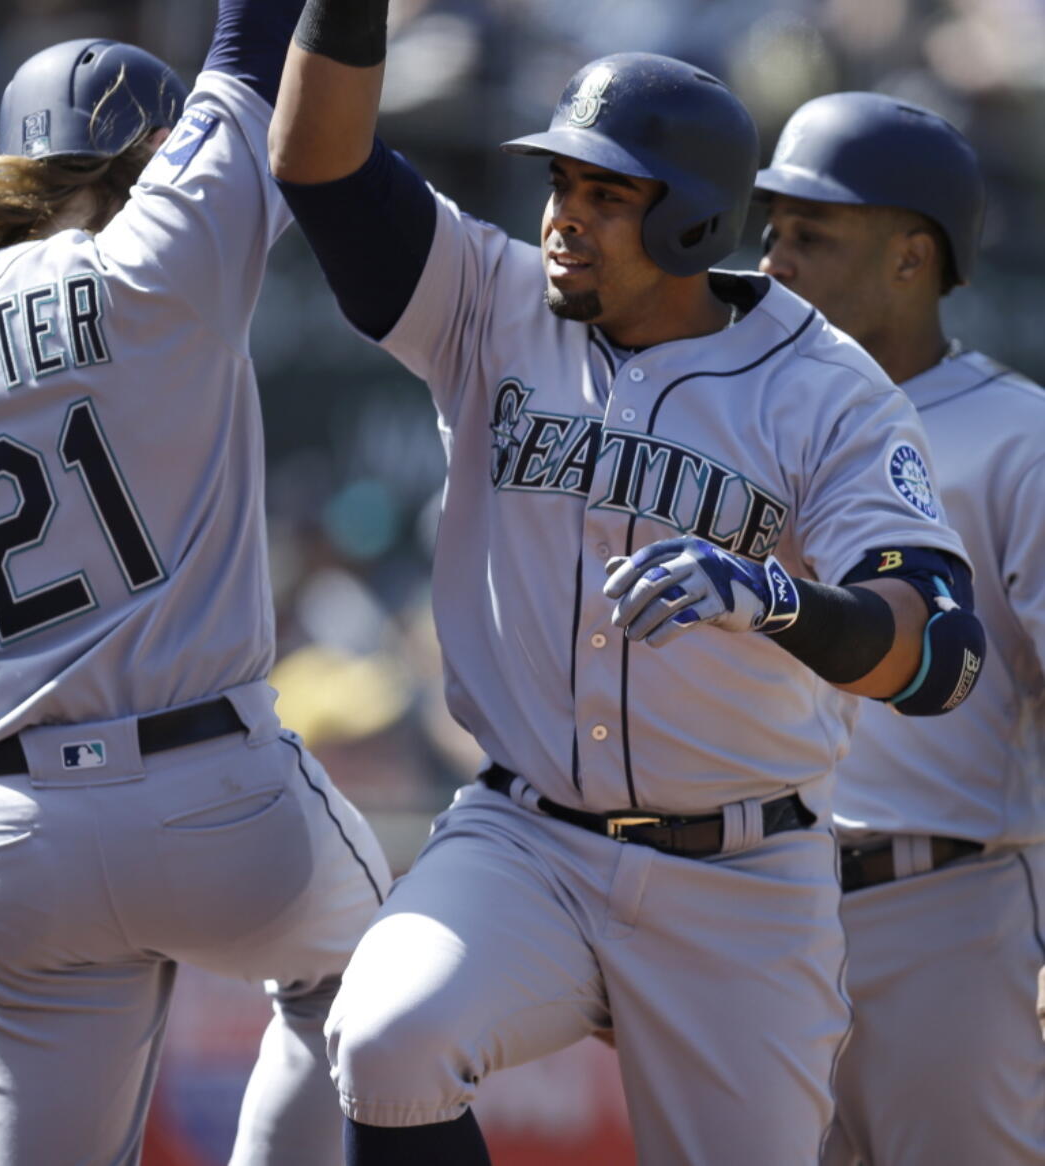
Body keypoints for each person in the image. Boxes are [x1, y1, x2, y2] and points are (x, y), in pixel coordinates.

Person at [267, 5, 986, 1163]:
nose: (563, 219)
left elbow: (939, 652)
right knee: (388, 1037)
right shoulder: (488, 305)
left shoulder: (824, 391)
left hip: (741, 873)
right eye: (560, 186)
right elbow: (318, 162)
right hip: (525, 839)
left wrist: (779, 601)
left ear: (696, 218)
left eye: (609, 196)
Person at [0, 3, 391, 1164]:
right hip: (219, 797)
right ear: (145, 162)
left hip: (11, 839)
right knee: (378, 986)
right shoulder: (158, 250)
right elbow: (253, 50)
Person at [757, 91, 1045, 1166]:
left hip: (952, 910)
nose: (774, 260)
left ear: (910, 258)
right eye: (772, 231)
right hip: (762, 913)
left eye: (812, 235)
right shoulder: (753, 415)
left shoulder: (1017, 435)